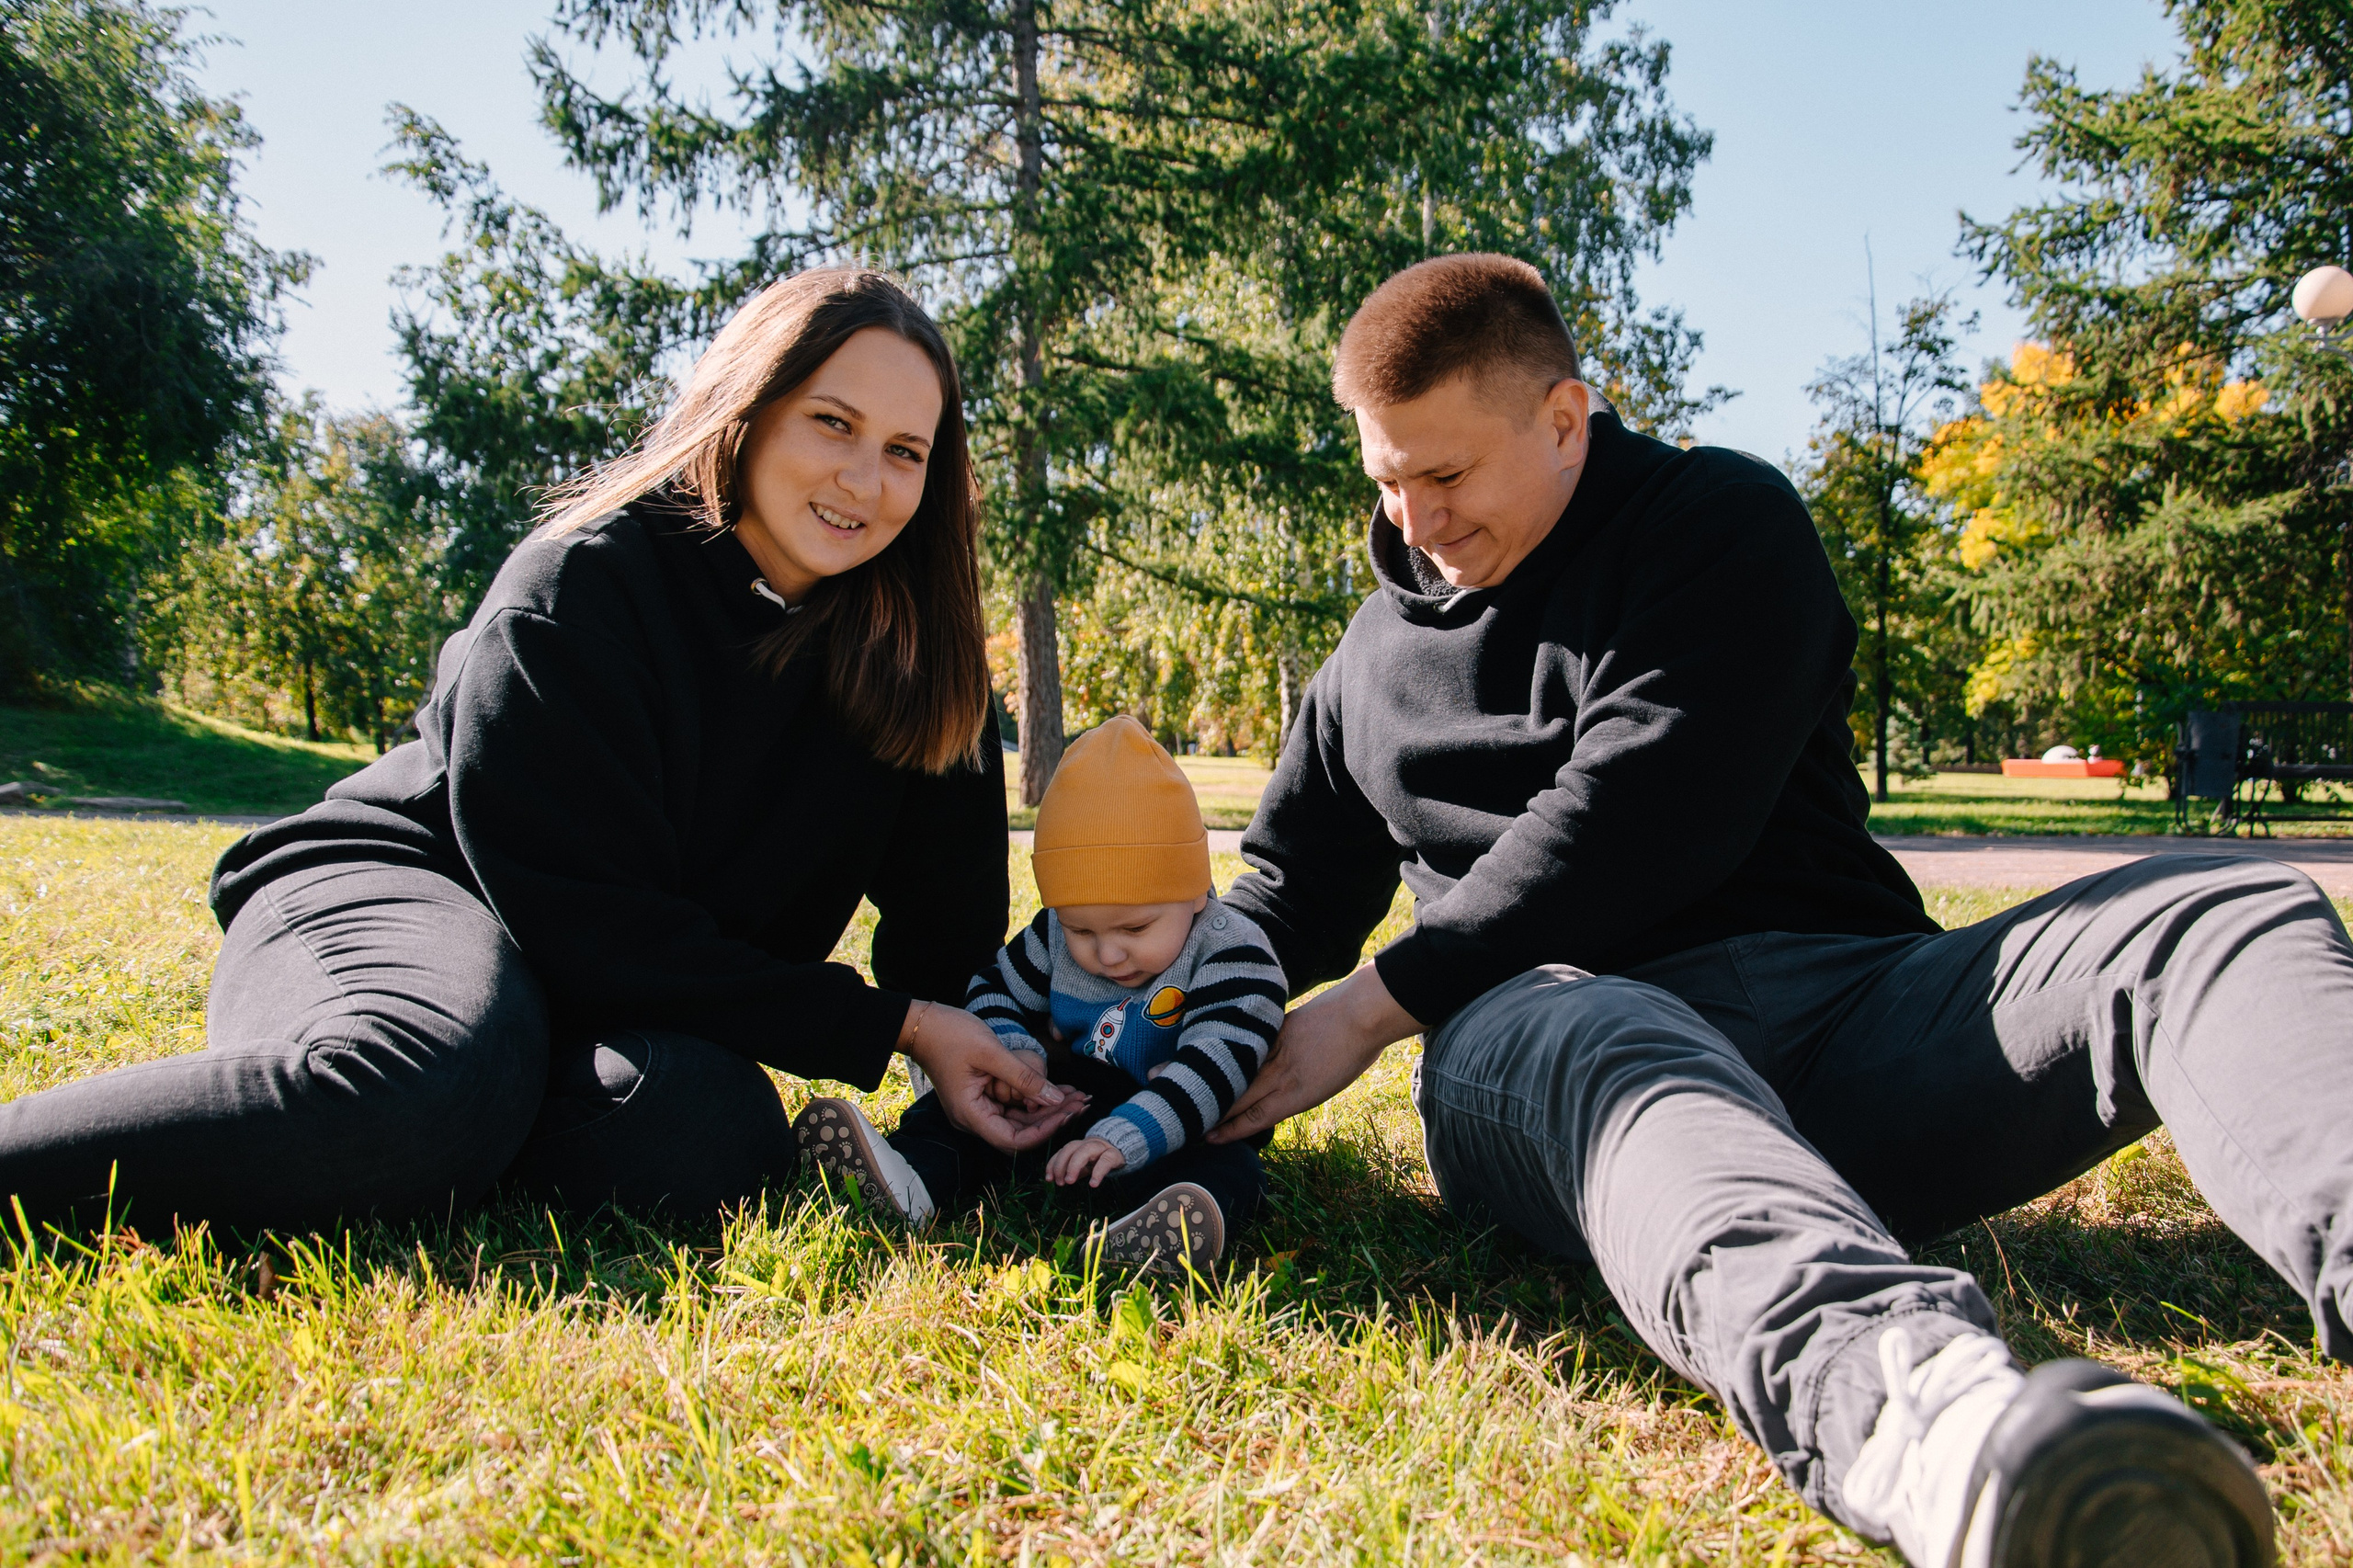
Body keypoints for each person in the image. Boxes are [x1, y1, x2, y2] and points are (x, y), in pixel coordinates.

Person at [1208, 254, 2318, 1566]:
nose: (1414, 519)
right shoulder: (1366, 663)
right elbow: (1282, 894)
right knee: (1598, 1020)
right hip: (1547, 1048)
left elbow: (1640, 812)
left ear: (1564, 421)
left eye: (1444, 475)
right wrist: (1143, 1016)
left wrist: (1371, 1008)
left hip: (1847, 1014)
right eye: (1385, 479)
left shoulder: (1719, 522)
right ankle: (1936, 1428)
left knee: (2226, 913)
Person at [0, 267, 1083, 1234]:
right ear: (747, 413)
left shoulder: (922, 663)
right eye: (831, 423)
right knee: (427, 1082)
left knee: (701, 1133)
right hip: (406, 892)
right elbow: (587, 919)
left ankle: (462, 1131)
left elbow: (949, 954)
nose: (864, 478)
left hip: (598, 993)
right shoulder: (584, 583)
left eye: (905, 451)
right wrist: (891, 1023)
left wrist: (1004, 1086)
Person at [796, 717, 1284, 1275]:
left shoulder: (1230, 952)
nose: (1107, 955)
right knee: (954, 1116)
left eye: (1134, 930)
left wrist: (1129, 1136)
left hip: (1182, 1122)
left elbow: (1215, 1065)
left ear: (1196, 893)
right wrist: (1013, 1055)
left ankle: (1166, 1230)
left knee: (1231, 1168)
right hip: (1058, 1109)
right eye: (1082, 931)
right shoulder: (1053, 934)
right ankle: (910, 1179)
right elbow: (993, 988)